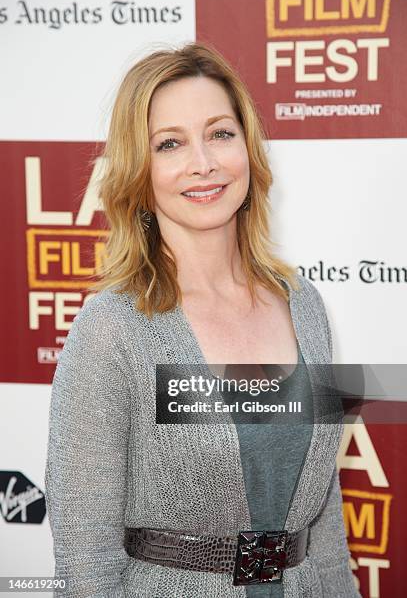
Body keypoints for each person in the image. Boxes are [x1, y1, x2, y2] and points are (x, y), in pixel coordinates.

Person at [44, 42, 360, 597]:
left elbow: (322, 508)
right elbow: (84, 553)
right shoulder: (114, 330)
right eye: (170, 144)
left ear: (247, 147)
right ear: (139, 173)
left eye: (220, 133)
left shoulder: (303, 303)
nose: (203, 163)